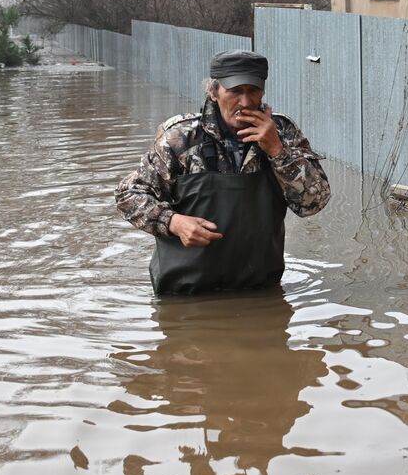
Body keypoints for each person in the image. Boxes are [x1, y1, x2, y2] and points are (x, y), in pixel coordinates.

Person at [114, 49, 331, 294]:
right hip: (186, 296)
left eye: (253, 90)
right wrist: (173, 222)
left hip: (261, 293)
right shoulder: (180, 136)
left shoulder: (283, 132)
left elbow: (314, 203)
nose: (246, 102)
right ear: (213, 92)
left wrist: (277, 151)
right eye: (235, 91)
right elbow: (128, 195)